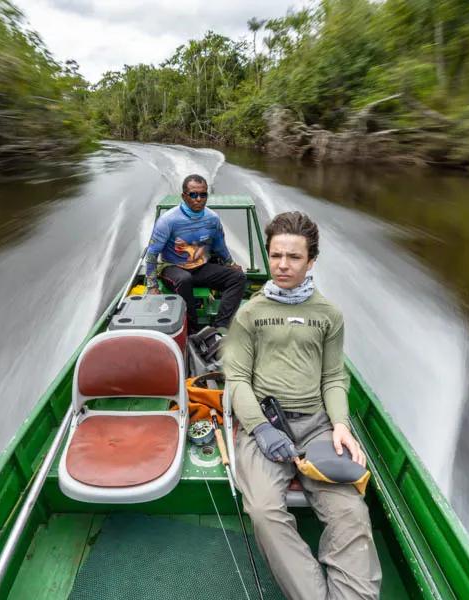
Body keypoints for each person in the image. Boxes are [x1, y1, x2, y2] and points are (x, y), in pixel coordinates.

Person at [222, 211, 382, 600]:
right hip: (265, 423)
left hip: (317, 426)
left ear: (311, 260)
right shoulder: (250, 313)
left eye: (294, 257)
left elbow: (333, 379)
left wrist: (341, 425)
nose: (282, 265)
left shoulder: (329, 315)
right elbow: (237, 379)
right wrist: (260, 429)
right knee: (263, 511)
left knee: (352, 514)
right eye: (276, 255)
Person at [144, 174, 246, 332]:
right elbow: (151, 254)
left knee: (238, 277)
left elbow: (220, 247)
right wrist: (152, 286)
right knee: (184, 279)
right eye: (193, 194)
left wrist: (230, 264)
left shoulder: (212, 219)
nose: (198, 199)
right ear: (184, 196)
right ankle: (193, 329)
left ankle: (220, 327)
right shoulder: (168, 220)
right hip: (172, 267)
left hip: (200, 267)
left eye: (203, 194)